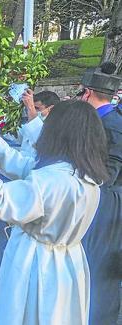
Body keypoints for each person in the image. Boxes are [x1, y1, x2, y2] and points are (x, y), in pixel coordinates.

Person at [0, 100, 108, 325]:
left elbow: (2, 199)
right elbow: (27, 168)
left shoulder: (53, 181)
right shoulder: (86, 175)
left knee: (30, 313)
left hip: (37, 261)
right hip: (69, 260)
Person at [78, 62, 122, 325]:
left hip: (108, 208)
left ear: (88, 93)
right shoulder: (102, 120)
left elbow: (109, 173)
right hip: (97, 202)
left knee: (100, 276)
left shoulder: (112, 124)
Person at [19, 90, 60, 157]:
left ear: (51, 108)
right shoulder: (31, 124)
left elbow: (40, 138)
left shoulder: (57, 129)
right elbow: (17, 134)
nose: (34, 111)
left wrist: (30, 107)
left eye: (37, 108)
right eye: (33, 107)